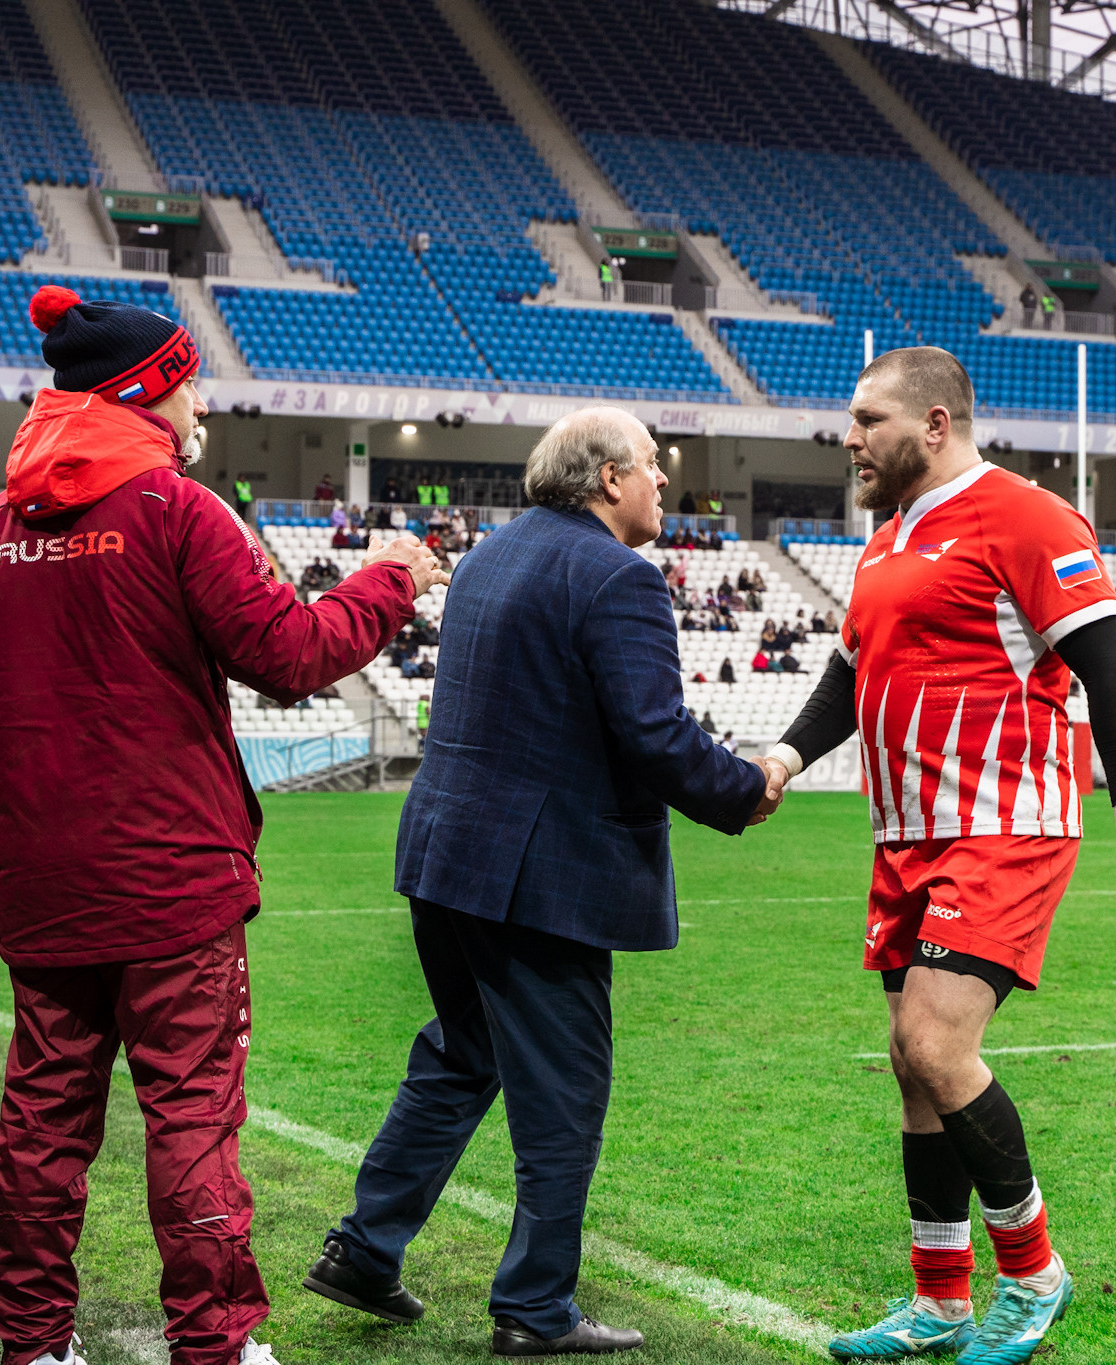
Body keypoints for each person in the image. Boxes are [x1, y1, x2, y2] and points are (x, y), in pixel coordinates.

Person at [0, 285, 448, 1365]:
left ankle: (35, 1343)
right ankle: (210, 1343)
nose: (199, 400)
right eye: (189, 378)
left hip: (47, 883)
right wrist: (389, 582)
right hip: (175, 885)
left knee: (40, 1124)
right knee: (192, 1117)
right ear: (152, 389)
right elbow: (290, 656)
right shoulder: (175, 511)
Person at [309, 407, 781, 1357]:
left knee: (460, 1054)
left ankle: (365, 1250)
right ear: (607, 478)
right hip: (539, 875)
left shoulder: (491, 554)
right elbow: (653, 736)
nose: (663, 485)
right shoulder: (618, 576)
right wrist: (746, 786)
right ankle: (534, 1306)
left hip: (445, 854)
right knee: (562, 1093)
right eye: (652, 467)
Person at [755, 349, 1116, 1365]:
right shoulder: (883, 538)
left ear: (935, 423)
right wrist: (781, 757)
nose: (849, 436)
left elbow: (1109, 669)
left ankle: (1033, 1277)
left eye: (867, 418)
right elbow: (847, 674)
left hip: (1003, 824)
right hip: (903, 835)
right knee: (913, 1068)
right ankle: (938, 1301)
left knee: (938, 1047)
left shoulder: (1026, 518)